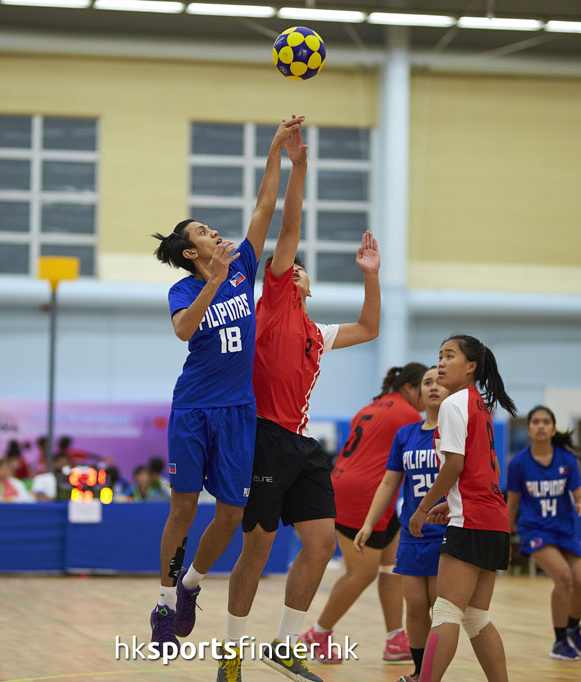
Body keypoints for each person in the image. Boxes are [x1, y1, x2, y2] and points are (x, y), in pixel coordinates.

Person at [224, 120, 383, 681]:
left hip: (302, 444)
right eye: (289, 265)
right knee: (257, 550)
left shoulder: (317, 332)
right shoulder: (270, 304)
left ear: (307, 285)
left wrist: (372, 275)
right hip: (263, 437)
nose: (294, 268)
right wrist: (298, 167)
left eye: (298, 270)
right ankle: (231, 655)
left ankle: (286, 644)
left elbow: (369, 326)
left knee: (320, 544)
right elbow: (288, 223)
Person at [147, 116, 302, 649]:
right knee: (183, 509)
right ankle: (165, 601)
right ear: (192, 252)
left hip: (238, 409)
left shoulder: (242, 267)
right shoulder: (183, 291)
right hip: (194, 408)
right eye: (204, 234)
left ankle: (191, 583)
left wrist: (277, 148)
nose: (216, 233)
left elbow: (264, 206)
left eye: (213, 229)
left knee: (232, 513)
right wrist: (211, 284)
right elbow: (185, 331)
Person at [407, 334, 517, 682]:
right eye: (439, 355)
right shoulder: (478, 404)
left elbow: (454, 465)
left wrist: (423, 508)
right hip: (493, 520)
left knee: (446, 610)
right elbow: (474, 470)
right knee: (475, 617)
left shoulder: (454, 405)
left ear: (471, 367)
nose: (441, 362)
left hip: (472, 520)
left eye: (450, 355)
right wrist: (446, 503)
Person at [302, 363, 426, 665]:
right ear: (410, 387)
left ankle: (396, 638)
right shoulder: (409, 416)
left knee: (392, 565)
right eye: (426, 385)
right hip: (364, 494)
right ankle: (317, 634)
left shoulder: (371, 406)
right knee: (363, 572)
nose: (431, 392)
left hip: (359, 488)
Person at [352, 366, 449, 681]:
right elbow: (388, 483)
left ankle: (432, 674)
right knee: (416, 607)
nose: (433, 386)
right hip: (411, 534)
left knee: (439, 609)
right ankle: (420, 672)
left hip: (446, 535)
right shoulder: (405, 434)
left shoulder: (455, 433)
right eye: (427, 382)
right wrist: (368, 523)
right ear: (418, 393)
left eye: (440, 381)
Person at [507, 406, 581, 663]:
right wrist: (503, 536)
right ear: (529, 429)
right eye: (536, 421)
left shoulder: (566, 460)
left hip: (564, 530)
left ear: (553, 429)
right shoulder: (519, 463)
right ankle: (559, 642)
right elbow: (512, 504)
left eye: (546, 422)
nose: (541, 425)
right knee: (564, 577)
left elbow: (580, 494)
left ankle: (572, 627)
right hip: (535, 530)